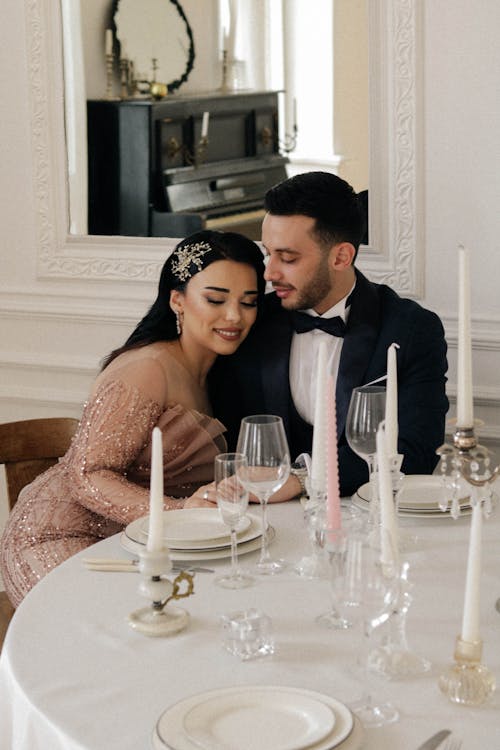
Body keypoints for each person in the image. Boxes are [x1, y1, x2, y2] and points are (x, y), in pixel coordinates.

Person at [0, 230, 270, 607]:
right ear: (177, 299)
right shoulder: (147, 369)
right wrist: (179, 513)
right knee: (120, 630)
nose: (234, 316)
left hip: (143, 541)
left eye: (249, 302)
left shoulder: (220, 373)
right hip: (59, 535)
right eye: (215, 299)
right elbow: (87, 475)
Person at [209, 172, 449, 497]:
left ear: (341, 257)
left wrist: (304, 481)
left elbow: (415, 452)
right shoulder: (251, 320)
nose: (269, 273)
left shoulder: (412, 329)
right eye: (268, 253)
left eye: (288, 258)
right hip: (263, 516)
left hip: (367, 520)